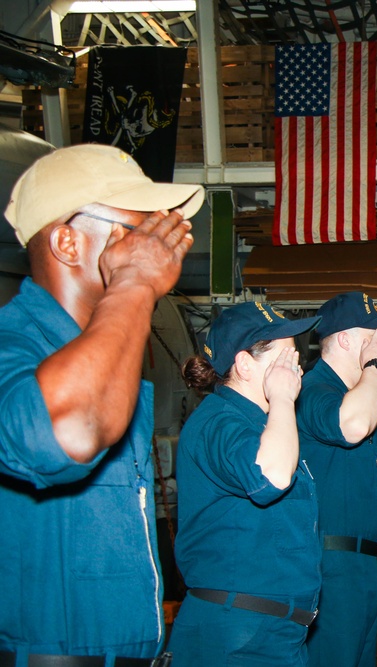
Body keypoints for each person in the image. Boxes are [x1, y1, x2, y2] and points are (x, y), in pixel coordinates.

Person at [0, 144, 202, 662]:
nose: (158, 245)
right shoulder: (12, 348)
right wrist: (134, 282)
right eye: (135, 229)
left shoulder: (112, 351)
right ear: (67, 240)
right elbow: (67, 433)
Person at [169, 302, 322, 666]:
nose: (296, 367)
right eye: (285, 359)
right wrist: (284, 397)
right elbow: (271, 476)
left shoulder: (262, 425)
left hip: (273, 632)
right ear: (243, 364)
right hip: (238, 634)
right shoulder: (219, 423)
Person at [298, 292, 377, 667]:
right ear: (344, 339)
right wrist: (376, 365)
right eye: (373, 333)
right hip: (332, 568)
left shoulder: (356, 392)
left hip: (361, 565)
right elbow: (353, 425)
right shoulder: (315, 390)